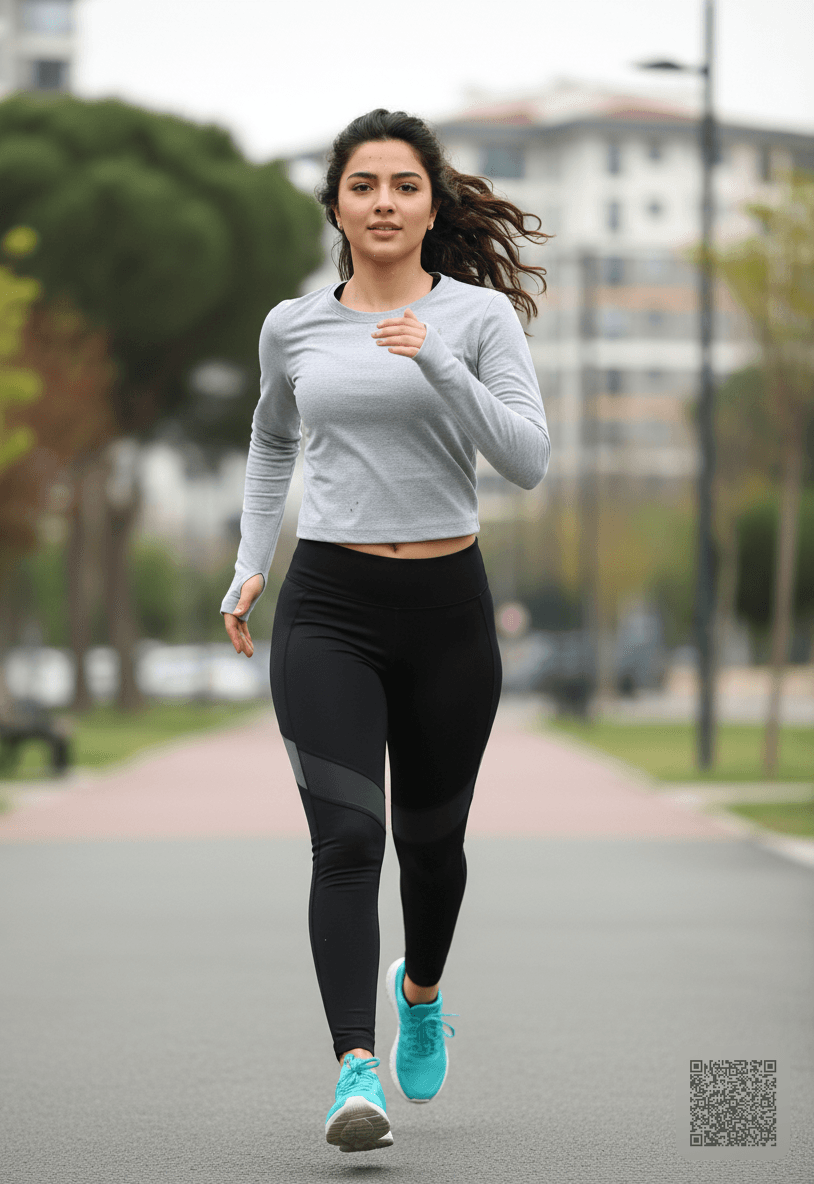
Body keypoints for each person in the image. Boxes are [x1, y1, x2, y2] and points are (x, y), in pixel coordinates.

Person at [221, 107, 550, 1153]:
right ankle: (353, 1067)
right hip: (330, 606)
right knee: (350, 837)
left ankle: (422, 988)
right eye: (364, 185)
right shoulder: (294, 325)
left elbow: (529, 458)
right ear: (338, 205)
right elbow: (271, 441)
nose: (384, 203)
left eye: (404, 185)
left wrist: (439, 366)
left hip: (449, 608)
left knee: (432, 846)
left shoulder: (480, 320)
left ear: (433, 202)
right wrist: (250, 560)